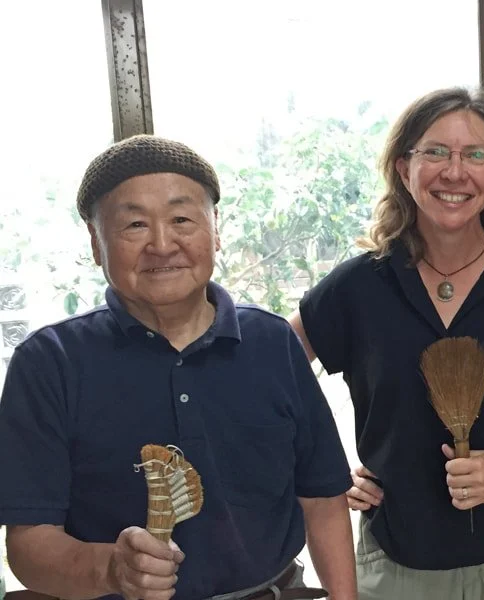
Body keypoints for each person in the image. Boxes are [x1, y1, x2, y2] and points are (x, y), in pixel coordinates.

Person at [0, 135, 357, 600]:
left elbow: (323, 498)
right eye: (133, 225)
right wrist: (111, 568)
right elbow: (28, 544)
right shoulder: (50, 362)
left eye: (182, 219)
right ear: (95, 241)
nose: (162, 244)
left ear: (216, 228)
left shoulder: (272, 343)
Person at [288, 87, 484, 600]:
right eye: (435, 152)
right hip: (398, 562)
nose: (455, 172)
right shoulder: (358, 288)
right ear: (403, 167)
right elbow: (271, 374)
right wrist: (324, 474)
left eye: (477, 155)